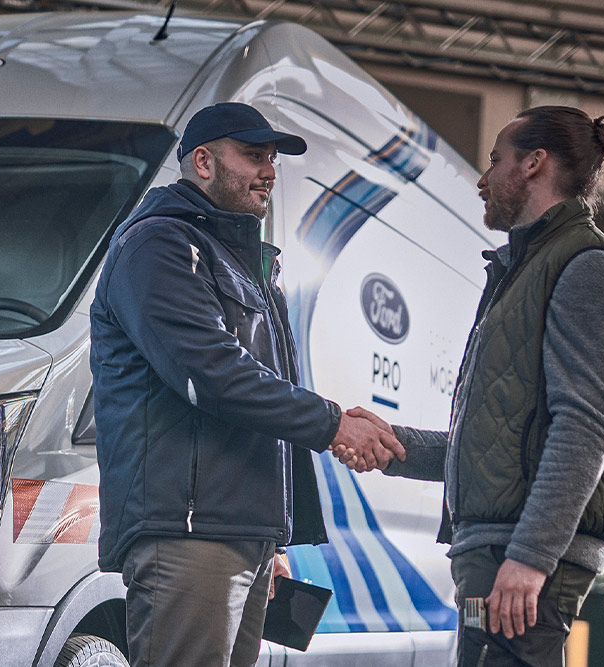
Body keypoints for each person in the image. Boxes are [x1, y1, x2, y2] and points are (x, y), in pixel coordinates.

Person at [89, 101, 405, 667]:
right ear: (203, 161)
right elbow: (213, 376)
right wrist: (334, 424)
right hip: (187, 532)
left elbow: (261, 393)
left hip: (233, 533)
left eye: (273, 158)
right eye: (254, 155)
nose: (270, 171)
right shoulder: (160, 245)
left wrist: (270, 536)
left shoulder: (236, 261)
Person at [337, 105, 604, 667]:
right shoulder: (527, 267)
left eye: (494, 160)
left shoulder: (589, 267)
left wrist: (530, 558)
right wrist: (395, 444)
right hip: (496, 544)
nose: (483, 179)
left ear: (534, 164)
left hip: (522, 550)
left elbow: (585, 427)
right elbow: (504, 437)